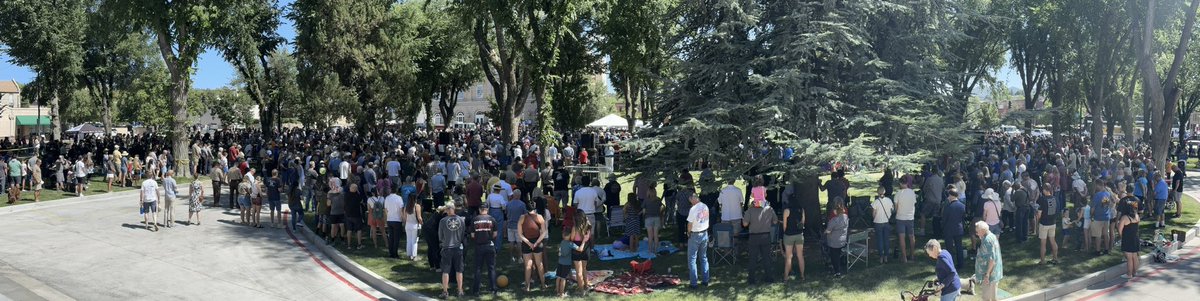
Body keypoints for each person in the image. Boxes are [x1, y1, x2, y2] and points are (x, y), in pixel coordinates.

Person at [744, 196, 777, 284]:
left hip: (754, 237)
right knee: (767, 258)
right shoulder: (769, 209)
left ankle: (751, 280)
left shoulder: (750, 211)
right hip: (766, 236)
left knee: (752, 259)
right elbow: (775, 221)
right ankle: (769, 278)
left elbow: (745, 224)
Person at [437, 202, 466, 298]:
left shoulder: (442, 221)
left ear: (446, 210)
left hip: (446, 248)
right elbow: (463, 234)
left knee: (445, 271)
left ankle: (445, 292)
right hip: (458, 248)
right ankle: (460, 290)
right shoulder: (461, 220)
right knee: (459, 270)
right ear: (454, 209)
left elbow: (440, 236)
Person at [518, 200, 547, 292]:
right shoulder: (540, 217)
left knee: (528, 265)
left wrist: (529, 243)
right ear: (535, 208)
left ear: (526, 208)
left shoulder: (522, 217)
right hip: (537, 243)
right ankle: (543, 285)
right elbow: (544, 232)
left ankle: (527, 287)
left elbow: (520, 234)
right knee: (539, 264)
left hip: (526, 243)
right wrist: (536, 243)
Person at [470, 205, 498, 296]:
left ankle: (476, 291)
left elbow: (472, 236)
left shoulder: (474, 219)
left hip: (479, 246)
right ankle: (493, 289)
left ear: (479, 209)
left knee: (478, 269)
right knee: (491, 268)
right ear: (487, 209)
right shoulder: (492, 219)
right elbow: (495, 234)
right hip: (490, 245)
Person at [974, 221, 1003, 301]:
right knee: (992, 297)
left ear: (983, 230)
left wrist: (987, 275)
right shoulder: (991, 236)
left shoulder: (987, 240)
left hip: (990, 275)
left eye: (977, 231)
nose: (976, 233)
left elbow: (992, 259)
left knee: (987, 298)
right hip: (993, 273)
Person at [781, 195, 805, 281]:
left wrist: (785, 233)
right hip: (799, 235)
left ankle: (786, 277)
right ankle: (802, 276)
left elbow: (784, 226)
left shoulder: (787, 211)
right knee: (800, 256)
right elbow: (803, 223)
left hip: (789, 235)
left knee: (789, 256)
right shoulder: (801, 210)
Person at [1116, 198, 1140, 279]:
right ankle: (1135, 272)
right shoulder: (1137, 216)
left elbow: (1119, 230)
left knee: (1129, 257)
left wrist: (1122, 237)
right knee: (1135, 256)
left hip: (1127, 239)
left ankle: (1129, 274)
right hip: (1135, 238)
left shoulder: (1124, 218)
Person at [1035, 184, 1060, 265]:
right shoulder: (1055, 198)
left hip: (1044, 223)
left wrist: (1037, 223)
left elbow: (1039, 213)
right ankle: (1055, 258)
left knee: (1043, 243)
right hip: (1053, 222)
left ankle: (1042, 261)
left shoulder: (1042, 199)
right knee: (1053, 241)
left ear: (1045, 190)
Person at [569, 209, 592, 294]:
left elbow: (571, 239)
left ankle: (581, 290)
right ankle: (586, 285)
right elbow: (588, 238)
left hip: (576, 249)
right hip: (586, 248)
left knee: (578, 271)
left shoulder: (574, 228)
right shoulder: (588, 227)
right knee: (584, 269)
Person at [895, 180, 917, 263]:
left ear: (900, 183)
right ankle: (912, 255)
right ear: (907, 183)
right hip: (910, 217)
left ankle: (904, 257)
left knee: (902, 237)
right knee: (911, 236)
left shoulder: (898, 193)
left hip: (900, 217)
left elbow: (896, 207)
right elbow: (914, 203)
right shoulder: (912, 193)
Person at [825, 201, 848, 278]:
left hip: (834, 242)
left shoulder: (834, 220)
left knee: (834, 255)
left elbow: (828, 231)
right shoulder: (845, 217)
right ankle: (840, 264)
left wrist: (825, 232)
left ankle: (837, 271)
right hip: (843, 240)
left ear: (835, 211)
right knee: (837, 253)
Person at [943, 190, 966, 267]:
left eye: (949, 196)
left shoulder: (948, 207)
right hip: (958, 228)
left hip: (949, 229)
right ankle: (961, 263)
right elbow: (963, 218)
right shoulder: (962, 206)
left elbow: (944, 219)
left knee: (949, 248)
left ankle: (950, 263)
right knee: (959, 246)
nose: (948, 197)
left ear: (952, 196)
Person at [871, 186, 894, 264]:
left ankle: (881, 257)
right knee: (886, 239)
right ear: (884, 192)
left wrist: (874, 219)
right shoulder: (889, 200)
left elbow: (873, 213)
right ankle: (886, 257)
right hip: (886, 221)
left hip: (878, 222)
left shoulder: (876, 202)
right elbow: (892, 210)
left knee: (880, 240)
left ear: (878, 192)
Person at [1091, 182, 1114, 255]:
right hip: (1106, 216)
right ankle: (1106, 249)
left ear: (1098, 185)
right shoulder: (1107, 194)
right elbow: (1109, 204)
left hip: (1098, 217)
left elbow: (1093, 208)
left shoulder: (1097, 195)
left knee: (1098, 235)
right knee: (1106, 234)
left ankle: (1098, 250)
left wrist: (1091, 215)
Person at [506, 189, 528, 263]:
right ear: (519, 195)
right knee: (519, 242)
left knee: (511, 242)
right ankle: (519, 257)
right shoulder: (522, 204)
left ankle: (511, 257)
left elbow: (506, 213)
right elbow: (525, 215)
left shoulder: (508, 204)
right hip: (519, 226)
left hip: (510, 225)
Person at [402, 189, 424, 260]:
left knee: (408, 240)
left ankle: (409, 255)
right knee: (414, 241)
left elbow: (404, 217)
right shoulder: (417, 206)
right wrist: (422, 223)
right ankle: (414, 256)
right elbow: (419, 218)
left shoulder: (406, 206)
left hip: (408, 224)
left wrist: (405, 224)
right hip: (415, 225)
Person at [556, 231, 577, 298]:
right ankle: (562, 294)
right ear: (570, 236)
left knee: (558, 277)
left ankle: (557, 291)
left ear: (563, 235)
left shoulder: (562, 242)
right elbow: (580, 249)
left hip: (560, 262)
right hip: (567, 264)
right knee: (563, 278)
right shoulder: (571, 244)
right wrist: (583, 242)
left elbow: (560, 250)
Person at [385, 190, 405, 259]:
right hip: (397, 219)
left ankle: (391, 253)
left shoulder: (387, 198)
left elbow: (385, 209)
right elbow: (401, 209)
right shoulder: (399, 198)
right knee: (396, 238)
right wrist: (403, 219)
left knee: (391, 237)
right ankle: (395, 253)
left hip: (389, 219)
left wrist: (387, 216)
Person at [345, 184, 366, 249]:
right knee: (359, 230)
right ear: (356, 189)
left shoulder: (346, 195)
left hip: (348, 215)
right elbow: (362, 202)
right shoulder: (358, 195)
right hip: (356, 215)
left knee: (349, 230)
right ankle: (359, 244)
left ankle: (349, 245)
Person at [327, 176, 346, 243]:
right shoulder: (342, 191)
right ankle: (342, 238)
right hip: (341, 211)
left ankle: (333, 239)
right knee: (342, 225)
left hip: (333, 212)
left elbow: (328, 204)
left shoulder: (330, 193)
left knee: (333, 226)